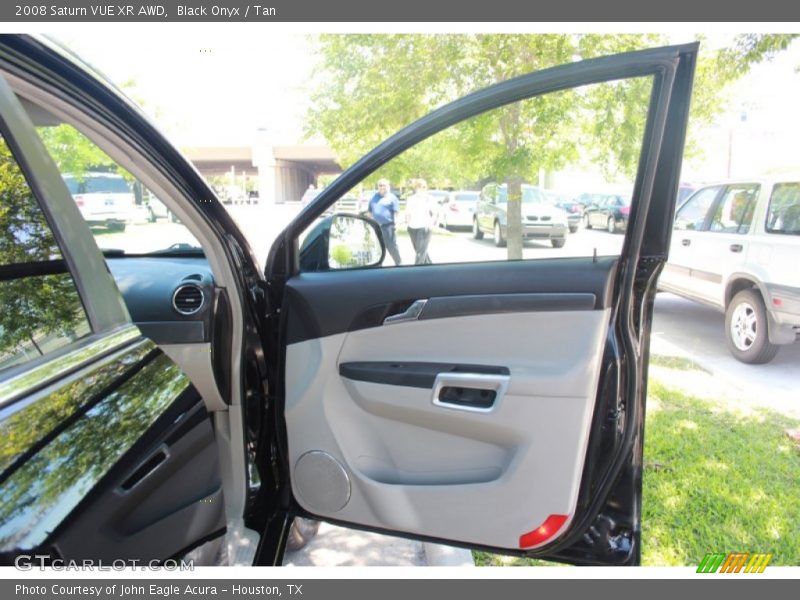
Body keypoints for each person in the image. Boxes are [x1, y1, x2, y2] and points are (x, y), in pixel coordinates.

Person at [368, 178, 402, 265]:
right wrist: (368, 224)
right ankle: (379, 265)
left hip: (388, 226)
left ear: (388, 186)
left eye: (384, 185)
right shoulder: (373, 197)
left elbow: (396, 213)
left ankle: (398, 263)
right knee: (378, 247)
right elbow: (370, 212)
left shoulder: (392, 198)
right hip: (376, 226)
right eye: (380, 185)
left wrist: (397, 224)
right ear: (378, 187)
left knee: (391, 246)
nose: (382, 187)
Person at [405, 179, 436, 265]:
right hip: (412, 228)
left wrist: (431, 224)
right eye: (419, 186)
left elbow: (435, 213)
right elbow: (407, 213)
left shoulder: (430, 199)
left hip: (425, 228)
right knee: (420, 251)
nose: (422, 188)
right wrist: (407, 223)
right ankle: (430, 267)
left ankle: (416, 270)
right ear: (416, 187)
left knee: (420, 253)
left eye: (424, 187)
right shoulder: (411, 199)